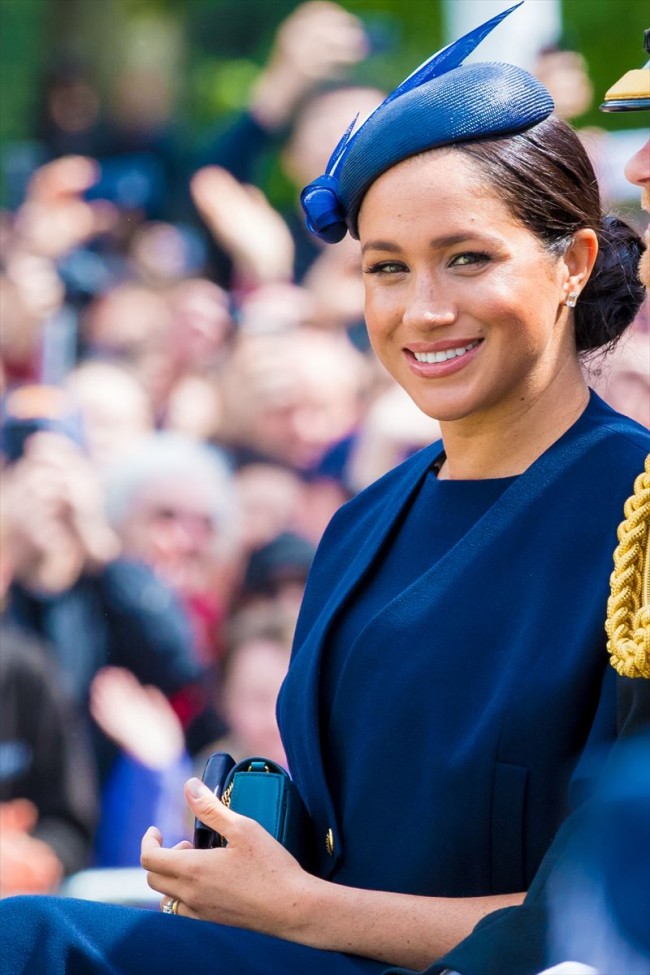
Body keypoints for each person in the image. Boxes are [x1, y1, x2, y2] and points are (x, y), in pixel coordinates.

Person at [1, 4, 648, 973]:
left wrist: (302, 909)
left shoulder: (629, 513)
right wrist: (252, 869)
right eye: (385, 268)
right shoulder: (363, 522)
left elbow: (597, 921)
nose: (423, 310)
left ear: (571, 262)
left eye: (466, 258)